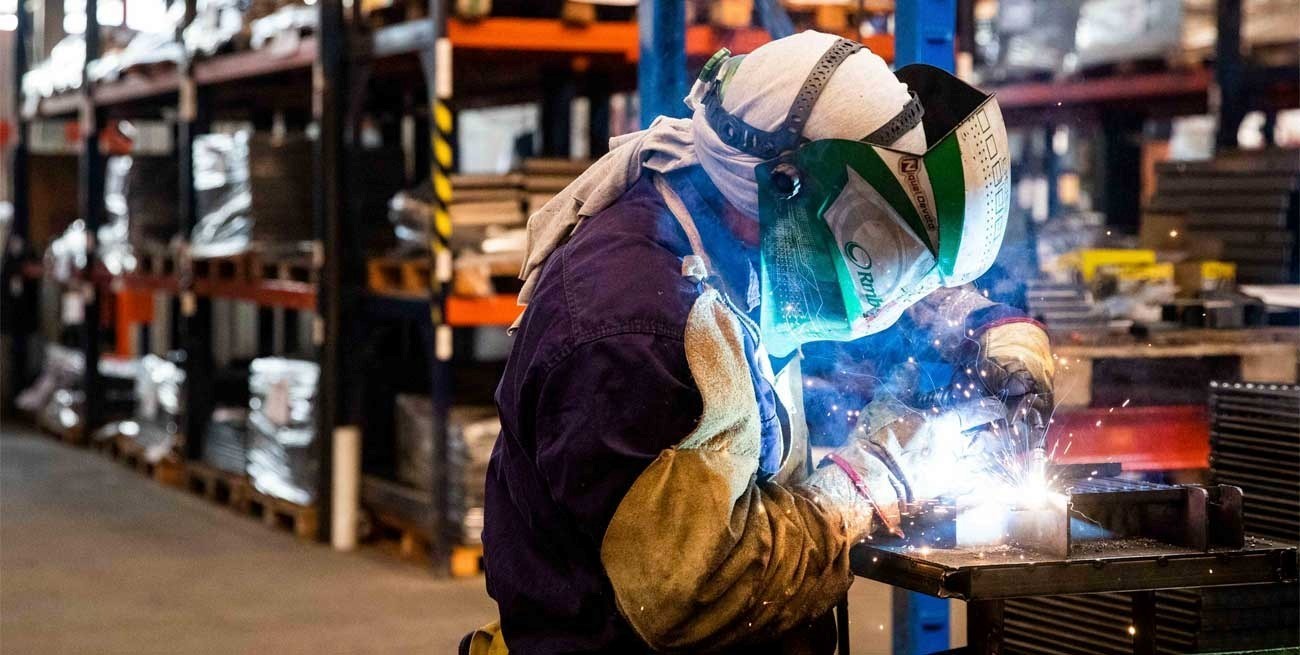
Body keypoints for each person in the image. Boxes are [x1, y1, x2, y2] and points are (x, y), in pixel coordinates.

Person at [476, 31, 1056, 654]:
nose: (888, 282)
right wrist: (876, 477)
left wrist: (995, 335)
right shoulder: (639, 332)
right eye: (873, 233)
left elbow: (894, 296)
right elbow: (700, 592)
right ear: (787, 189)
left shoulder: (733, 231)